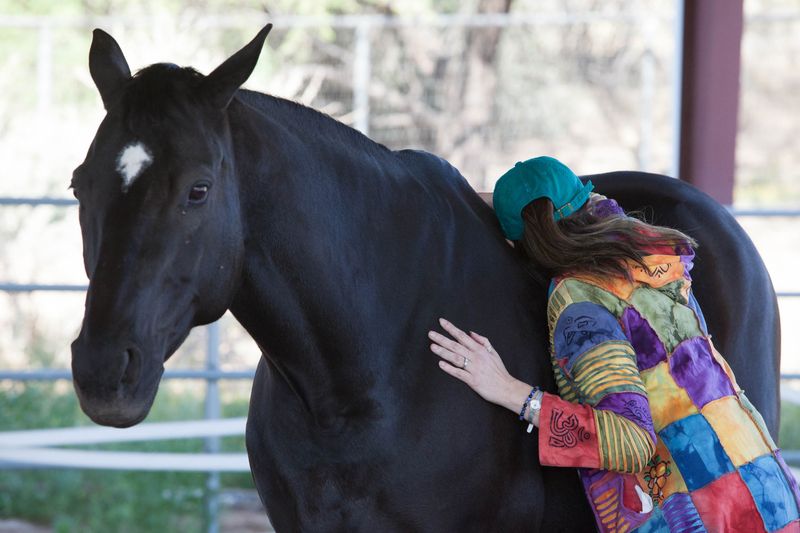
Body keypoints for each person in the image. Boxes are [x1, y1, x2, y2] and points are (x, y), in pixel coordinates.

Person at [428, 156, 800, 532]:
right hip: (765, 488)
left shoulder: (580, 302)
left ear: (515, 242)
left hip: (702, 513)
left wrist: (511, 392)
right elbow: (595, 204)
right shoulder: (643, 247)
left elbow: (632, 441)